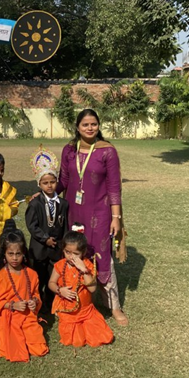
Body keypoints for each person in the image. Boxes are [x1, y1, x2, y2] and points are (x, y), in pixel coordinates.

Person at [58, 109, 129, 326]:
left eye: (94, 124)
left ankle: (113, 305)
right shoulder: (69, 150)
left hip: (100, 212)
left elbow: (114, 187)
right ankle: (79, 299)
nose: (90, 128)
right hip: (74, 212)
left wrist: (116, 217)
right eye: (85, 124)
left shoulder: (107, 151)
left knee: (102, 255)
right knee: (75, 251)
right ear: (77, 127)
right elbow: (63, 180)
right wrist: (45, 191)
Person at [0, 223, 49, 362]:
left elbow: (36, 295)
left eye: (18, 254)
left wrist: (34, 302)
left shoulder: (32, 274)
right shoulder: (1, 276)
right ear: (4, 255)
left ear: (24, 254)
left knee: (39, 349)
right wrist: (13, 305)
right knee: (14, 351)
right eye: (10, 254)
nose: (14, 258)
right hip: (9, 316)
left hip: (28, 314)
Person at [49, 232, 114, 348]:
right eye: (67, 252)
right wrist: (60, 290)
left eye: (76, 254)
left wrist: (83, 270)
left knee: (103, 336)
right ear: (63, 250)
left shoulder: (88, 266)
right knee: (77, 340)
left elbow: (92, 289)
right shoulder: (60, 265)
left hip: (86, 311)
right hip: (67, 309)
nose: (71, 257)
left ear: (83, 253)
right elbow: (51, 283)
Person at [26, 145, 69, 312]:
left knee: (54, 277)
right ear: (39, 184)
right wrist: (45, 239)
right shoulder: (35, 204)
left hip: (56, 249)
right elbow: (32, 225)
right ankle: (37, 304)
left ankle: (50, 303)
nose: (49, 186)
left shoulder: (63, 204)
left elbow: (65, 226)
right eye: (45, 183)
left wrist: (63, 245)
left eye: (52, 182)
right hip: (39, 250)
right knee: (38, 278)